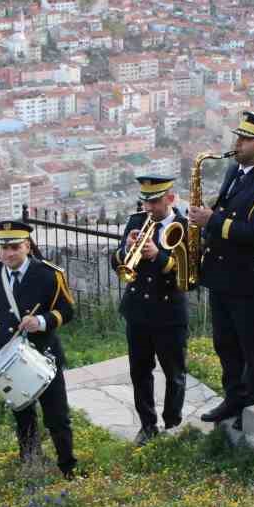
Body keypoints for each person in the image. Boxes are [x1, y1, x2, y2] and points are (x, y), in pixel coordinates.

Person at [189, 111, 254, 428]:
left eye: (246, 139)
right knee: (225, 343)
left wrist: (212, 221)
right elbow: (224, 209)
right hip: (221, 275)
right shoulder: (236, 170)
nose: (238, 143)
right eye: (239, 137)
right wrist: (205, 233)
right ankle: (233, 398)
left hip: (247, 279)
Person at [0, 219, 80, 477]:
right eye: (3, 248)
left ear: (27, 246)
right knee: (23, 414)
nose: (8, 253)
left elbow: (67, 311)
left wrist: (40, 321)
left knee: (57, 416)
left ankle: (68, 468)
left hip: (43, 354)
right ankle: (30, 463)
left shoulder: (49, 274)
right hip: (9, 356)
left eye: (15, 247)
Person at [111, 175, 190, 445]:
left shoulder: (185, 225)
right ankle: (147, 424)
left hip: (169, 313)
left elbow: (190, 275)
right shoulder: (136, 221)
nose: (149, 208)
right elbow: (117, 260)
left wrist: (158, 256)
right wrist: (127, 250)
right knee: (140, 372)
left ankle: (172, 422)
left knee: (174, 372)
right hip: (138, 311)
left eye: (155, 202)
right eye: (145, 202)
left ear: (170, 198)